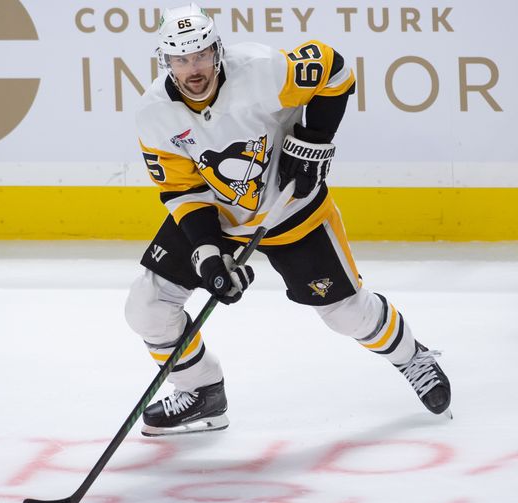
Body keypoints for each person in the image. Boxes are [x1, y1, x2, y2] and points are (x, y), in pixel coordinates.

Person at [125, 3, 452, 437]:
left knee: (346, 314)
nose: (194, 68)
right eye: (181, 59)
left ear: (217, 50)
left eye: (201, 54)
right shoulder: (154, 115)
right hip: (219, 217)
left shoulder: (262, 72)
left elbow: (334, 70)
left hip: (293, 210)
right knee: (147, 308)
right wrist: (208, 254)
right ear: (165, 61)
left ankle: (412, 357)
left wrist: (313, 140)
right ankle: (203, 393)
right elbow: (183, 190)